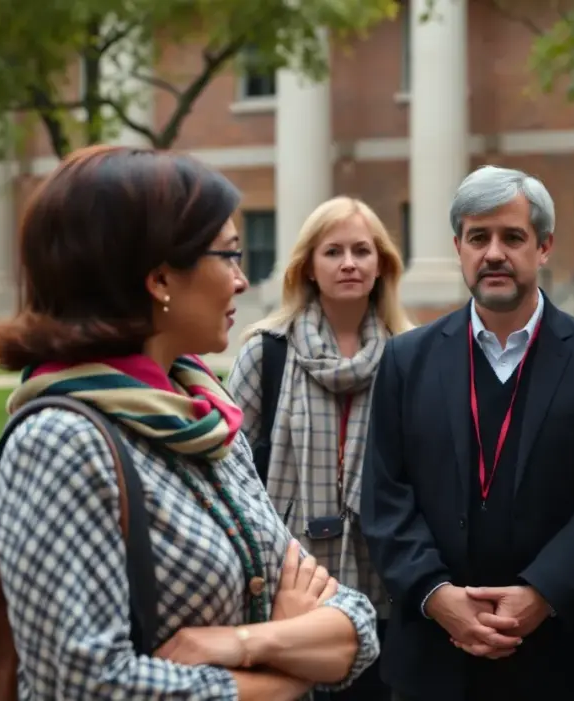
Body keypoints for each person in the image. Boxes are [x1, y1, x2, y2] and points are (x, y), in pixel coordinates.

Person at [0, 145, 379, 699]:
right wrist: (284, 677)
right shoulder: (62, 443)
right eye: (228, 255)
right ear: (160, 278)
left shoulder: (205, 416)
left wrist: (245, 641)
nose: (242, 281)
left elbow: (355, 625)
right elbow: (87, 687)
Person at [360, 165, 574, 701]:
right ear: (458, 247)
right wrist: (436, 595)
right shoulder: (405, 360)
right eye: (478, 237)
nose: (494, 253)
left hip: (561, 657)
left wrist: (543, 592)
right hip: (434, 657)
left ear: (544, 246)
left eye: (513, 237)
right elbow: (386, 495)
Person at [228, 197, 412, 701]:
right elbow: (226, 473)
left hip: (386, 580)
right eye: (333, 251)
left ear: (382, 265)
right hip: (289, 580)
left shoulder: (411, 354)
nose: (349, 263)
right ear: (308, 265)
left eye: (361, 250)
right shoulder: (265, 350)